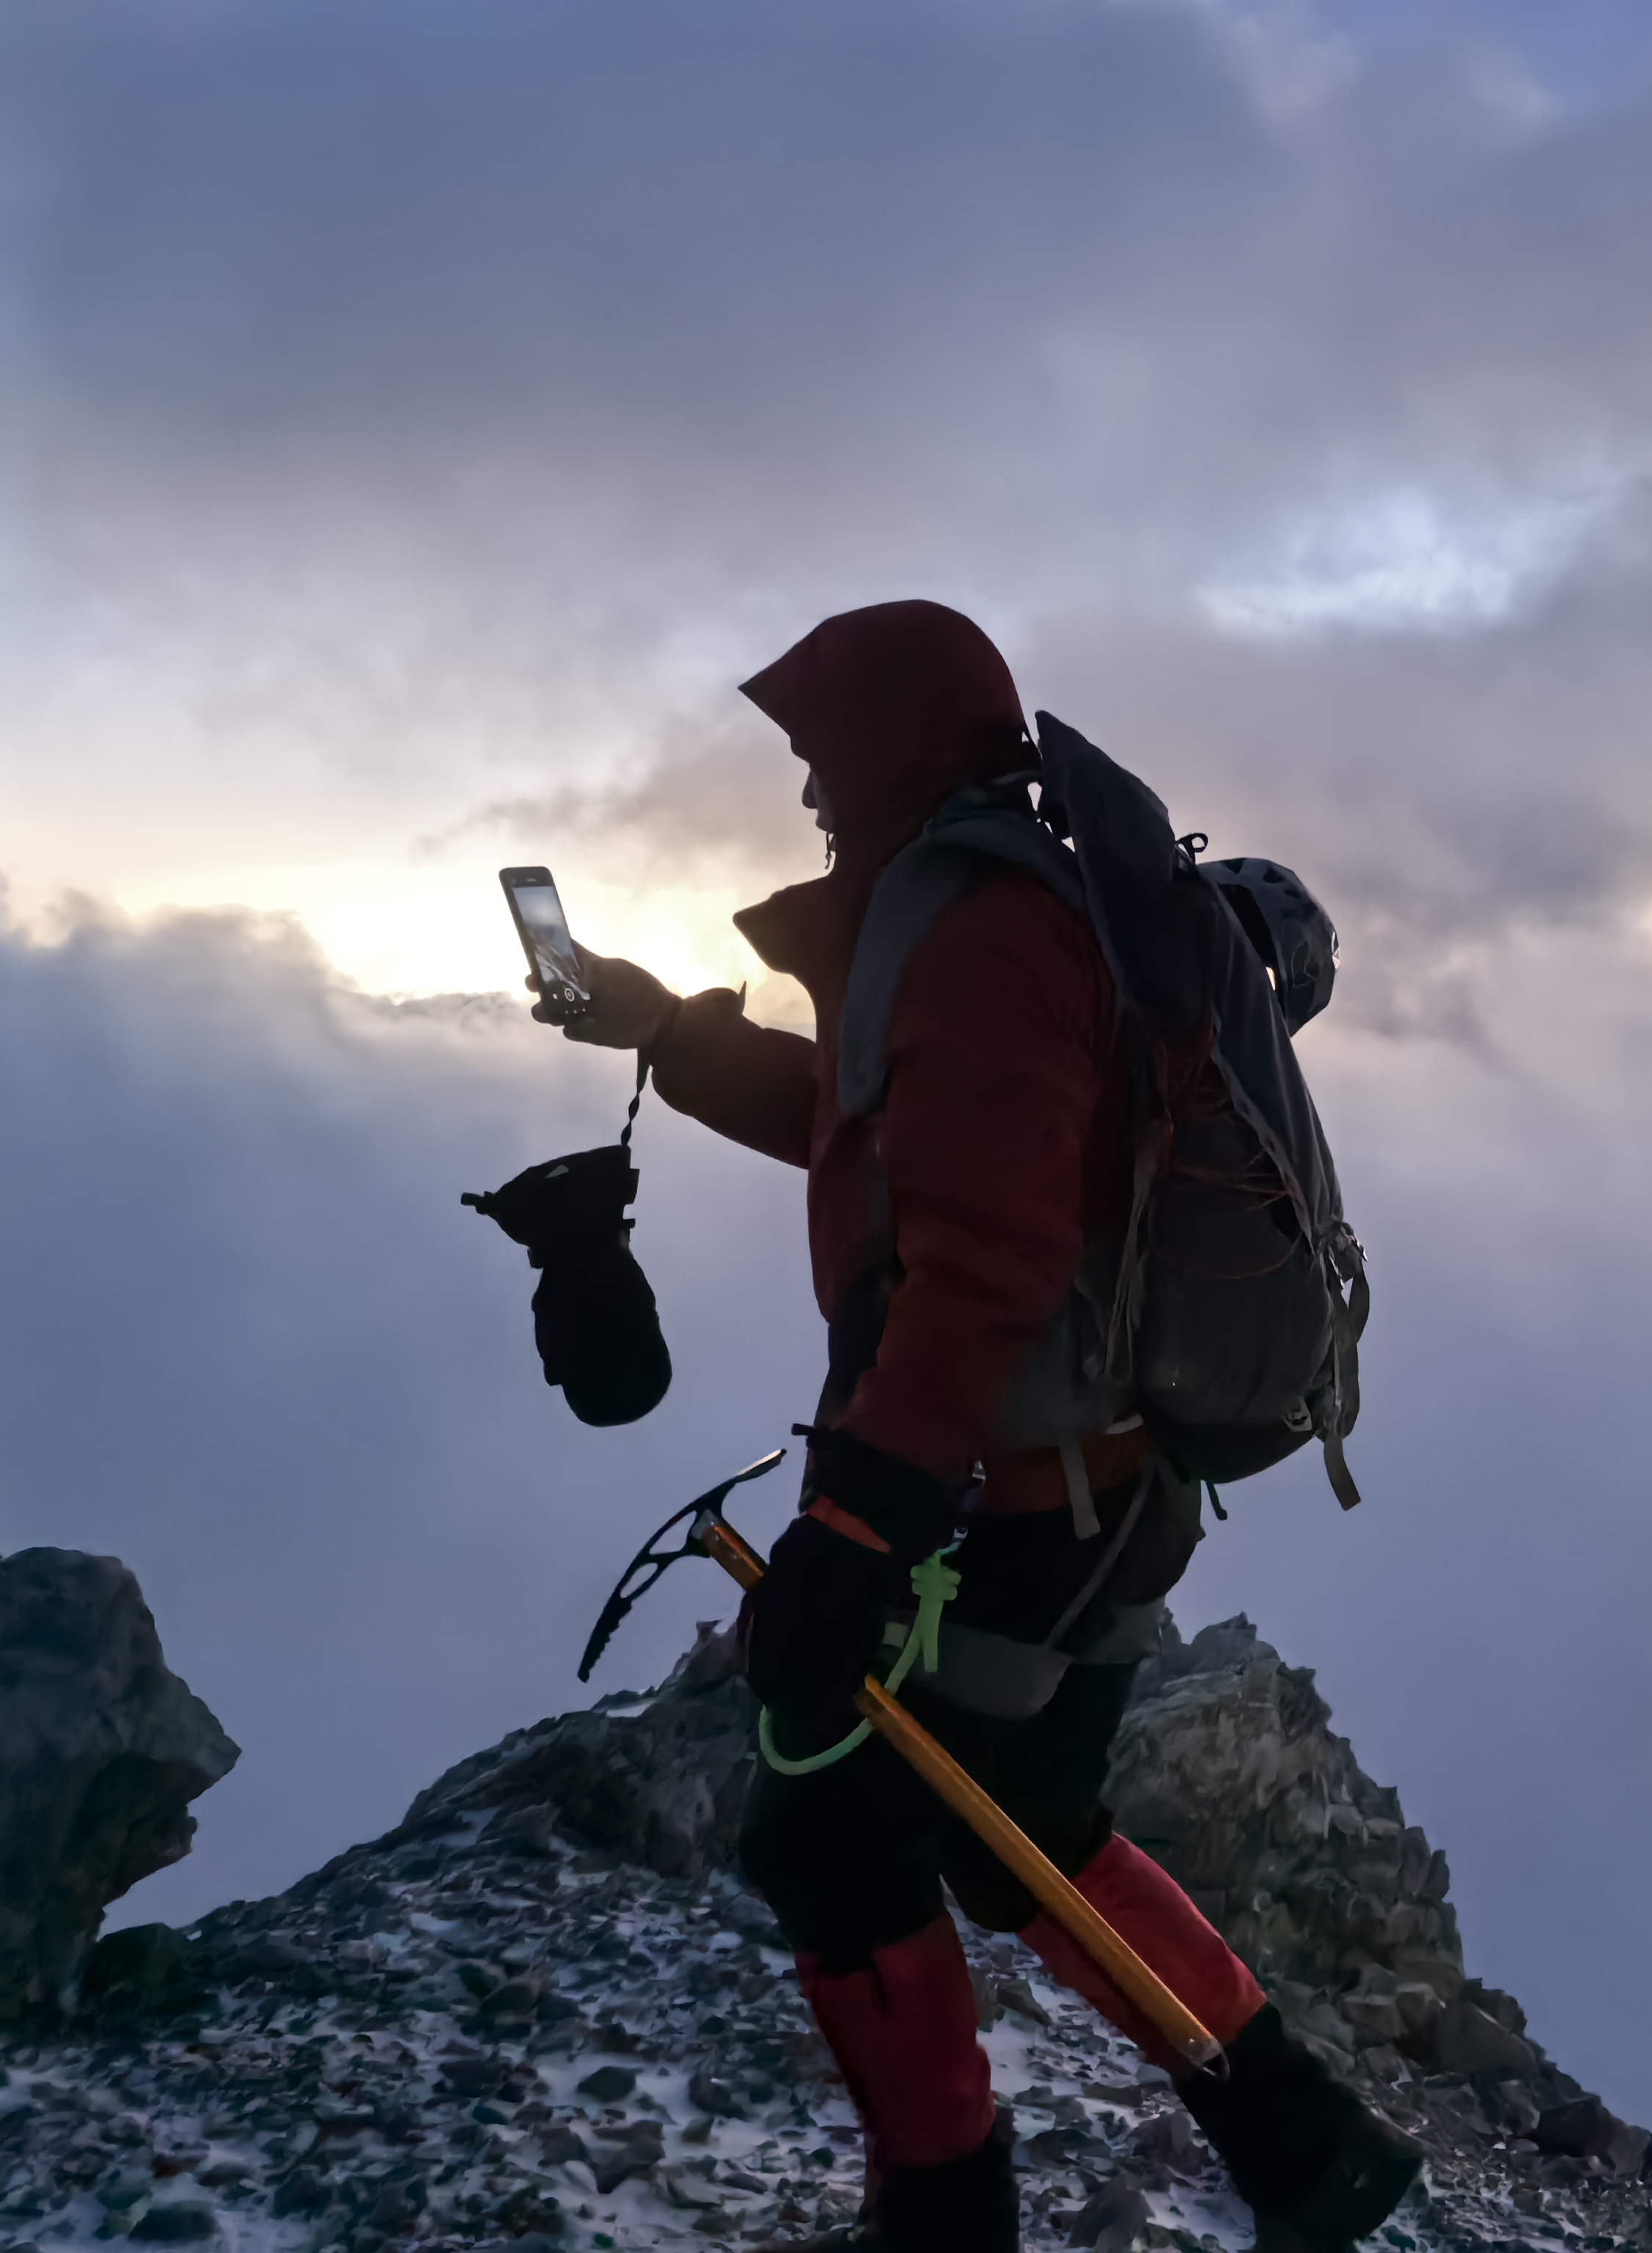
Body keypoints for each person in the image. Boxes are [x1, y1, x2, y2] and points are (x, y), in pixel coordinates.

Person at [533, 601, 1417, 2253]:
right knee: (1026, 1830)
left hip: (1010, 1506)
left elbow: (985, 1256)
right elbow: (880, 1132)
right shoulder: (1002, 900)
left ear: (899, 741)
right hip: (1091, 1482)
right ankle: (1307, 2147)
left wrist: (860, 1518)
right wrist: (667, 1032)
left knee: (825, 1834)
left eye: (821, 752)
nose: (808, 788)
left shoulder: (977, 922)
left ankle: (943, 2217)